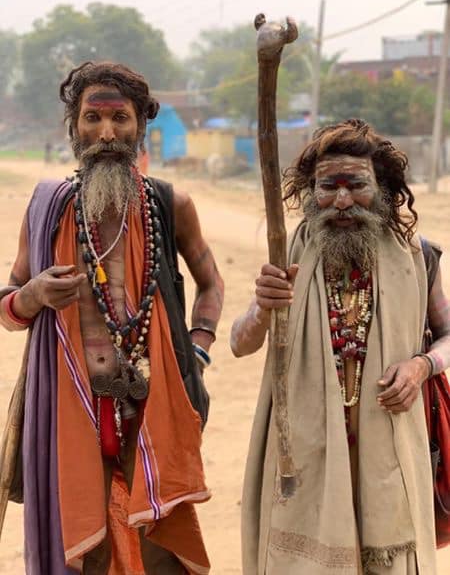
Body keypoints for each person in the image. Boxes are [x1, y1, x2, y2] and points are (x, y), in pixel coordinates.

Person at [0, 61, 224, 574]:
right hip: (70, 410)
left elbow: (211, 283)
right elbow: (9, 305)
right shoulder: (46, 209)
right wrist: (34, 295)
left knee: (161, 548)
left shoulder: (171, 204)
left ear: (140, 127)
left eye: (120, 119)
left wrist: (198, 350)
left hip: (155, 406)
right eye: (92, 119)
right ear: (72, 127)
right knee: (85, 548)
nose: (106, 133)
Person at [231, 119, 450, 574]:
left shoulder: (419, 258)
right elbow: (239, 343)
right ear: (311, 191)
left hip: (389, 461)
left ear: (384, 188)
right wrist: (261, 308)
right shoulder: (287, 255)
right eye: (329, 187)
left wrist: (420, 366)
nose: (343, 201)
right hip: (306, 461)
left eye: (357, 186)